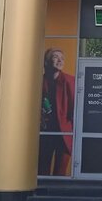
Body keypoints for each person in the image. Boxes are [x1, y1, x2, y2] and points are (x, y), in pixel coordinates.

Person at [38, 47, 75, 176]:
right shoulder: (39, 82)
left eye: (62, 58)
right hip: (45, 132)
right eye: (55, 57)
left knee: (60, 172)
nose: (60, 61)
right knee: (42, 169)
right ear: (46, 62)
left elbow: (75, 109)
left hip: (64, 133)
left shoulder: (70, 81)